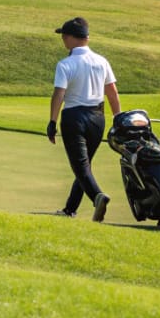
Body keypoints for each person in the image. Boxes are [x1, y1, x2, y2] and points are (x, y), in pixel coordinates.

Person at [48, 16, 121, 221]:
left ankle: (98, 196)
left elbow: (59, 95)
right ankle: (70, 209)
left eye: (64, 35)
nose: (63, 39)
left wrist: (52, 122)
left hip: (74, 117)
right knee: (84, 166)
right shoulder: (101, 61)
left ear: (72, 38)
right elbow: (112, 93)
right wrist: (118, 119)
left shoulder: (65, 64)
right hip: (98, 118)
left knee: (80, 166)